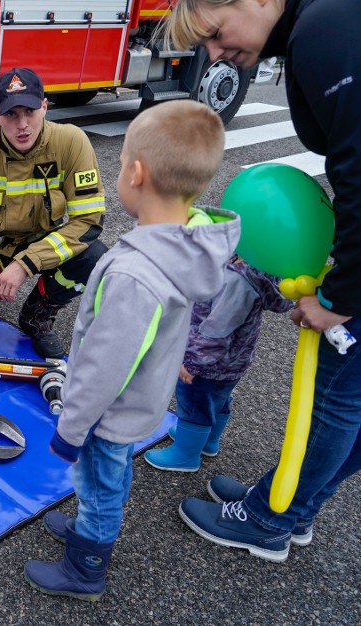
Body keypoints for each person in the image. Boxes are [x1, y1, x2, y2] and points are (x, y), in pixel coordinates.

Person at [163, 0, 360, 563]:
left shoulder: (325, 29)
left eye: (217, 34)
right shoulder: (325, 22)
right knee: (349, 399)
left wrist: (340, 296)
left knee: (336, 402)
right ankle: (292, 505)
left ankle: (270, 519)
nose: (217, 54)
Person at [24, 100, 239, 600]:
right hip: (139, 400)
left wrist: (71, 427)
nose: (118, 174)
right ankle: (86, 525)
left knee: (101, 482)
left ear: (137, 174)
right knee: (107, 477)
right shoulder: (181, 250)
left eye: (119, 166)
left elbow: (106, 364)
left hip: (107, 413)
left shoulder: (133, 275)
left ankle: (85, 569)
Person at [0, 67, 108, 359]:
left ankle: (37, 314)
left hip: (43, 243)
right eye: (11, 114)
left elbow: (88, 222)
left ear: (44, 106)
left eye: (30, 111)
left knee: (94, 257)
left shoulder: (71, 142)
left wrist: (25, 264)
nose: (22, 124)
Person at [144, 256, 293, 472]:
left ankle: (185, 455)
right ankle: (207, 441)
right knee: (217, 400)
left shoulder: (236, 279)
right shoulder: (262, 268)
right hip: (233, 360)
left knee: (194, 405)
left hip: (209, 363)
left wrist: (193, 362)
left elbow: (217, 330)